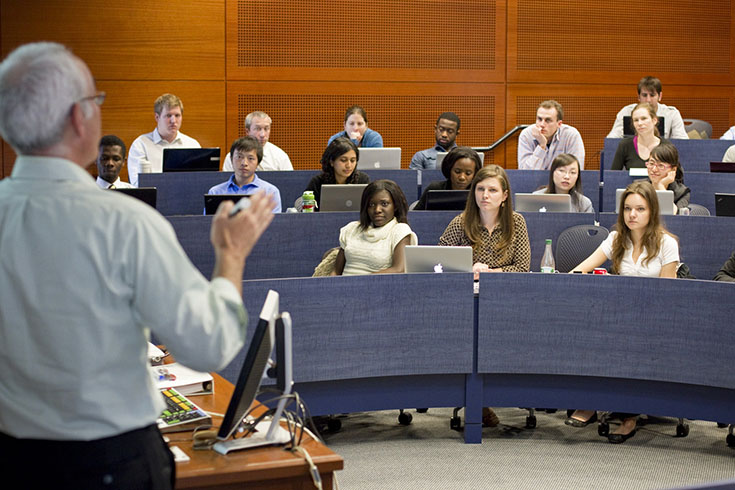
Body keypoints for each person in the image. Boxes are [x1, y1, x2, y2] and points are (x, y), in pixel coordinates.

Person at [0, 42, 276, 488]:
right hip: (110, 462)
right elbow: (208, 346)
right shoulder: (125, 222)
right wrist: (231, 256)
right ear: (77, 118)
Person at [569, 180, 679, 443]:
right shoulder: (617, 238)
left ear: (652, 211)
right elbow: (581, 269)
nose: (632, 215)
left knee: (626, 342)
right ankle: (593, 402)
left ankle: (628, 417)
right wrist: (576, 277)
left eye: (640, 209)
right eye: (628, 208)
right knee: (590, 333)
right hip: (620, 315)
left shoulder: (667, 244)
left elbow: (668, 296)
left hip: (654, 320)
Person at [333, 180, 417, 275]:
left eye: (384, 204)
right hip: (342, 287)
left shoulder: (400, 230)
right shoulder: (352, 228)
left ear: (395, 206)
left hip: (375, 287)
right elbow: (336, 271)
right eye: (371, 205)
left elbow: (399, 270)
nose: (377, 210)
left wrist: (359, 282)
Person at [127, 93, 201, 186]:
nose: (173, 121)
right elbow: (137, 184)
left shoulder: (192, 145)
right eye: (168, 115)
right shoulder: (140, 145)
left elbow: (199, 182)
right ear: (157, 117)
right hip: (151, 199)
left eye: (177, 115)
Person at [209, 136, 282, 213]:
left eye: (250, 158)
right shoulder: (215, 192)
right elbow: (207, 223)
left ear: (258, 162)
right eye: (239, 157)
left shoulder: (270, 192)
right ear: (231, 159)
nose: (244, 163)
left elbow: (275, 224)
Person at [607, 76, 688, 140]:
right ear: (638, 97)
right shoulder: (626, 112)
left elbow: (682, 142)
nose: (648, 100)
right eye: (644, 95)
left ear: (660, 96)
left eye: (652, 95)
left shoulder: (672, 113)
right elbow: (612, 139)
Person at [304, 137, 370, 210]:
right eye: (343, 160)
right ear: (332, 162)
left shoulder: (362, 180)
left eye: (352, 160)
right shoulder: (317, 183)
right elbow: (306, 209)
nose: (349, 165)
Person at [517, 100, 585, 170]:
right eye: (539, 119)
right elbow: (525, 173)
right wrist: (542, 146)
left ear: (559, 124)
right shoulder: (526, 135)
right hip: (534, 181)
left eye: (548, 120)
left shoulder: (571, 135)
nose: (542, 124)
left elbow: (576, 171)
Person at [222, 111, 293, 171]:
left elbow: (290, 183)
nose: (262, 134)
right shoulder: (234, 156)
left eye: (266, 129)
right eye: (258, 129)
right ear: (247, 131)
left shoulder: (280, 156)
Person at [415, 146, 481, 210]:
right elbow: (415, 215)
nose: (462, 177)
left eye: (468, 173)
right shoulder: (435, 189)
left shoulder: (478, 192)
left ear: (475, 174)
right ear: (449, 170)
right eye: (457, 172)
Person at [611, 103, 665, 170]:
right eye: (636, 120)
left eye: (644, 118)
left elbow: (677, 177)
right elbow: (613, 176)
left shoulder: (666, 146)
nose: (639, 123)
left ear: (654, 120)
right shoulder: (625, 145)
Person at [644, 142, 691, 214]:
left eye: (660, 165)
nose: (654, 169)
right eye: (651, 163)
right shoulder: (639, 187)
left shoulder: (682, 192)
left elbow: (676, 216)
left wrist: (661, 186)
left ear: (673, 170)